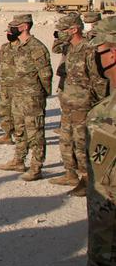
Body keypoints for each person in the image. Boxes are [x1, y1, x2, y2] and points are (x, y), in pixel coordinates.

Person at [79, 16, 116, 266]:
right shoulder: (103, 111)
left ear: (112, 53)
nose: (97, 58)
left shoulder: (105, 114)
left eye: (99, 50)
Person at [0, 14, 52, 181]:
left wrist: (42, 94)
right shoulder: (16, 47)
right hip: (17, 96)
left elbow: (46, 74)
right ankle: (19, 160)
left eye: (16, 25)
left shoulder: (36, 47)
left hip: (32, 97)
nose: (12, 28)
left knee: (35, 132)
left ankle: (36, 167)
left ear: (25, 26)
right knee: (20, 130)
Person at [52, 14, 103, 197]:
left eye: (64, 31)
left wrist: (96, 104)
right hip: (67, 103)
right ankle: (70, 173)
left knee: (82, 143)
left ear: (74, 29)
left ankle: (87, 180)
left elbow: (98, 80)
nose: (60, 34)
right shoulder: (69, 49)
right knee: (66, 140)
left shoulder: (88, 50)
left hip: (83, 105)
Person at [0, 26, 18, 145]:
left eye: (9, 32)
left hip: (20, 85)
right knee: (5, 110)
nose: (8, 34)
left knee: (19, 112)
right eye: (7, 32)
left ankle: (21, 138)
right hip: (5, 84)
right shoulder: (4, 47)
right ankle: (7, 134)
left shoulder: (24, 48)